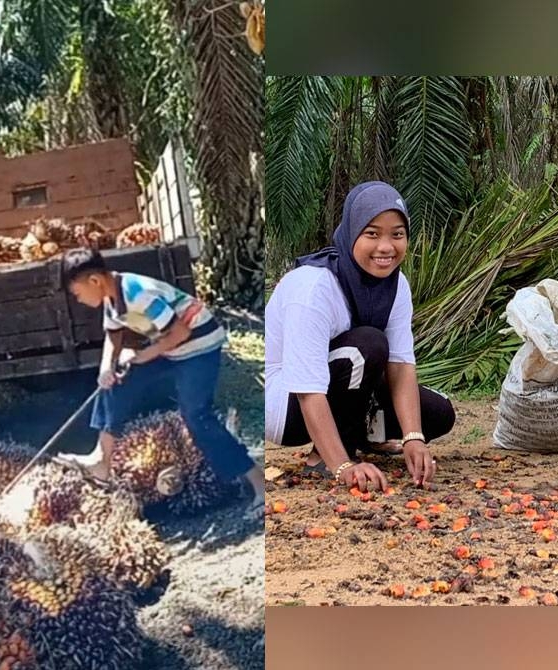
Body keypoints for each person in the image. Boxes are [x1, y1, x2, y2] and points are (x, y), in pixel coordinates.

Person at [265, 181, 455, 492]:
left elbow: (400, 365)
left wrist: (413, 438)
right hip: (285, 404)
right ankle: (323, 458)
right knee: (367, 345)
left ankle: (365, 437)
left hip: (338, 378)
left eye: (397, 234)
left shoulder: (396, 285)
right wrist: (342, 465)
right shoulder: (313, 288)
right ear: (352, 232)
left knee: (436, 414)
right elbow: (307, 389)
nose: (386, 247)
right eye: (372, 234)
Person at [58, 247, 265, 513]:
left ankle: (258, 482)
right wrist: (106, 369)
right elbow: (114, 335)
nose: (79, 299)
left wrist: (144, 356)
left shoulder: (137, 293)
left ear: (95, 281)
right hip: (170, 347)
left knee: (197, 416)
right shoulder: (112, 297)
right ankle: (102, 461)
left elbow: (180, 331)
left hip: (198, 346)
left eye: (77, 293)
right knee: (114, 383)